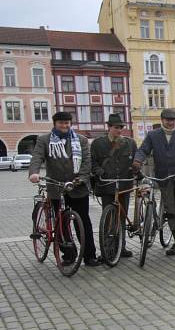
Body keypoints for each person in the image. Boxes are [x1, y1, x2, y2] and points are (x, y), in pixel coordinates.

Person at [28, 111, 101, 267]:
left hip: (77, 187)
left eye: (67, 123)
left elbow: (86, 162)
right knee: (60, 223)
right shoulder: (44, 140)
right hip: (56, 187)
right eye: (61, 123)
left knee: (83, 222)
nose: (65, 126)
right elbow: (37, 157)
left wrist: (81, 178)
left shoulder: (81, 140)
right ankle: (68, 254)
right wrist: (34, 172)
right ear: (55, 124)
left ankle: (89, 255)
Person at [133, 108, 175, 257]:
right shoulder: (153, 135)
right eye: (167, 120)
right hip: (164, 179)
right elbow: (143, 149)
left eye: (172, 120)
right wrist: (137, 161)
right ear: (162, 120)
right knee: (170, 212)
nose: (170, 122)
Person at [91, 113, 137, 259]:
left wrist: (137, 171)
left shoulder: (130, 143)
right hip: (107, 185)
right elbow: (93, 162)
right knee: (108, 218)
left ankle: (121, 248)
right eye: (116, 127)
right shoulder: (98, 144)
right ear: (109, 127)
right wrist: (99, 171)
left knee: (122, 217)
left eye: (121, 127)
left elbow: (135, 161)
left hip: (124, 184)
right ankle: (107, 249)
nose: (119, 130)